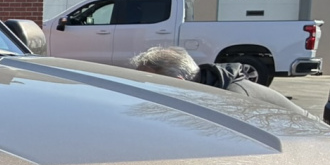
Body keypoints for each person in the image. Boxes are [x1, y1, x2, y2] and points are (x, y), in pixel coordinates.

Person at [129, 46, 310, 115]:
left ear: (179, 82)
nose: (146, 93)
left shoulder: (232, 99)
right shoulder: (210, 89)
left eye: (151, 85)